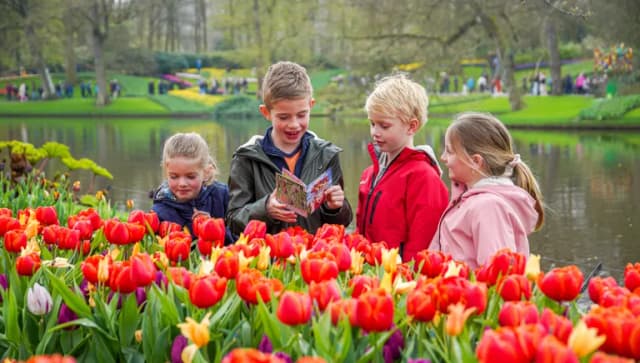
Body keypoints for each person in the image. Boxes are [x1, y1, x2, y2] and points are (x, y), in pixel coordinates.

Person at [226, 61, 352, 236]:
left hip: (313, 259)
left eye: (301, 115)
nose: (294, 125)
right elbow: (233, 221)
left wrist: (336, 208)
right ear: (266, 113)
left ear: (311, 106)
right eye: (284, 117)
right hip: (268, 260)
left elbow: (342, 223)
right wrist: (265, 208)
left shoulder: (326, 155)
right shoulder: (246, 158)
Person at [430, 112, 545, 269]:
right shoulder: (469, 200)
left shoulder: (488, 207)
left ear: (475, 161)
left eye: (449, 151)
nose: (443, 157)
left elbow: (497, 275)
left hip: (469, 293)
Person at [356, 74, 449, 261]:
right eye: (372, 124)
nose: (375, 132)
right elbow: (361, 230)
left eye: (384, 126)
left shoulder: (423, 177)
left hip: (399, 280)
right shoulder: (370, 173)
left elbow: (423, 245)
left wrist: (406, 278)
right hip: (368, 275)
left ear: (411, 126)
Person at [152, 132, 233, 244]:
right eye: (174, 176)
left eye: (190, 176)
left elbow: (239, 240)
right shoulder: (160, 211)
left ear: (206, 172)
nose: (182, 183)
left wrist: (215, 228)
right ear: (166, 172)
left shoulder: (222, 196)